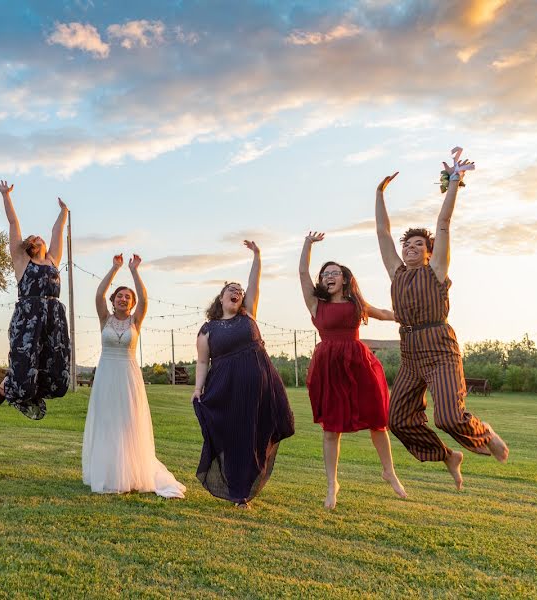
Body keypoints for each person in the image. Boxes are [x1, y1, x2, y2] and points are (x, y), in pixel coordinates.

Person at [375, 150, 509, 490]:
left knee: (448, 416)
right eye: (408, 245)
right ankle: (448, 456)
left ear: (430, 252)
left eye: (418, 245)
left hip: (440, 349)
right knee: (398, 419)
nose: (409, 248)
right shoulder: (397, 274)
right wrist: (379, 195)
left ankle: (484, 432)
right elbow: (382, 233)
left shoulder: (436, 271)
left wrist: (453, 183)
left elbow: (444, 224)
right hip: (410, 352)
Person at [299, 231, 407, 509]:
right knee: (330, 429)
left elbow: (383, 313)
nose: (328, 276)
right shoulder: (316, 304)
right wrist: (307, 245)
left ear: (345, 278)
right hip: (328, 366)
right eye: (325, 274)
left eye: (334, 273)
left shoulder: (355, 303)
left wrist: (410, 315)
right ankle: (332, 484)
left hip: (358, 364)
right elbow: (301, 272)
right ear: (321, 281)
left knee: (377, 420)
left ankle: (389, 471)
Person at [192, 241, 295, 508]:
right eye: (230, 290)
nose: (236, 292)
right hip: (227, 388)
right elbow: (203, 363)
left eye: (239, 290)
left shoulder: (249, 315)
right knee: (238, 439)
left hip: (261, 385)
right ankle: (240, 493)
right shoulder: (208, 329)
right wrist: (197, 388)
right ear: (221, 299)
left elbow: (255, 282)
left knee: (276, 424)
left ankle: (252, 475)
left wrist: (258, 255)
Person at [82, 253, 186, 498]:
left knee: (128, 423)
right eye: (119, 295)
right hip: (107, 373)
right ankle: (109, 474)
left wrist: (135, 270)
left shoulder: (135, 321)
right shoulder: (104, 318)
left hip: (129, 376)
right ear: (114, 300)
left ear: (131, 303)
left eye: (128, 297)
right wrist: (115, 268)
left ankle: (131, 473)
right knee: (108, 422)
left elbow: (145, 298)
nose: (123, 299)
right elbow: (98, 294)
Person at [0, 180, 71, 420]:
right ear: (29, 246)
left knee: (55, 364)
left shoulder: (52, 261)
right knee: (25, 359)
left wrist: (63, 212)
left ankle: (34, 391)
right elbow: (13, 223)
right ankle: (9, 388)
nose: (39, 237)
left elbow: (57, 232)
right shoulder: (22, 262)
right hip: (29, 316)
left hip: (54, 317)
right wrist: (6, 195)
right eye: (35, 237)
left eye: (41, 237)